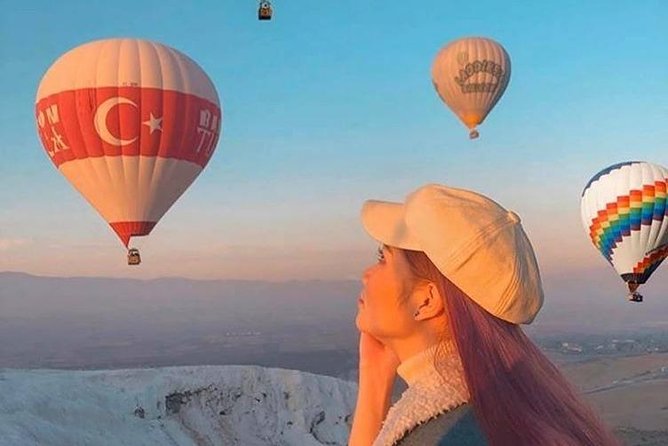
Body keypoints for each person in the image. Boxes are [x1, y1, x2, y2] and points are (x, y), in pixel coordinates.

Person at [349, 183, 621, 446]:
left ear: (427, 300)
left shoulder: (445, 434)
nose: (366, 274)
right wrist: (374, 378)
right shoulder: (507, 407)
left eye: (383, 257)